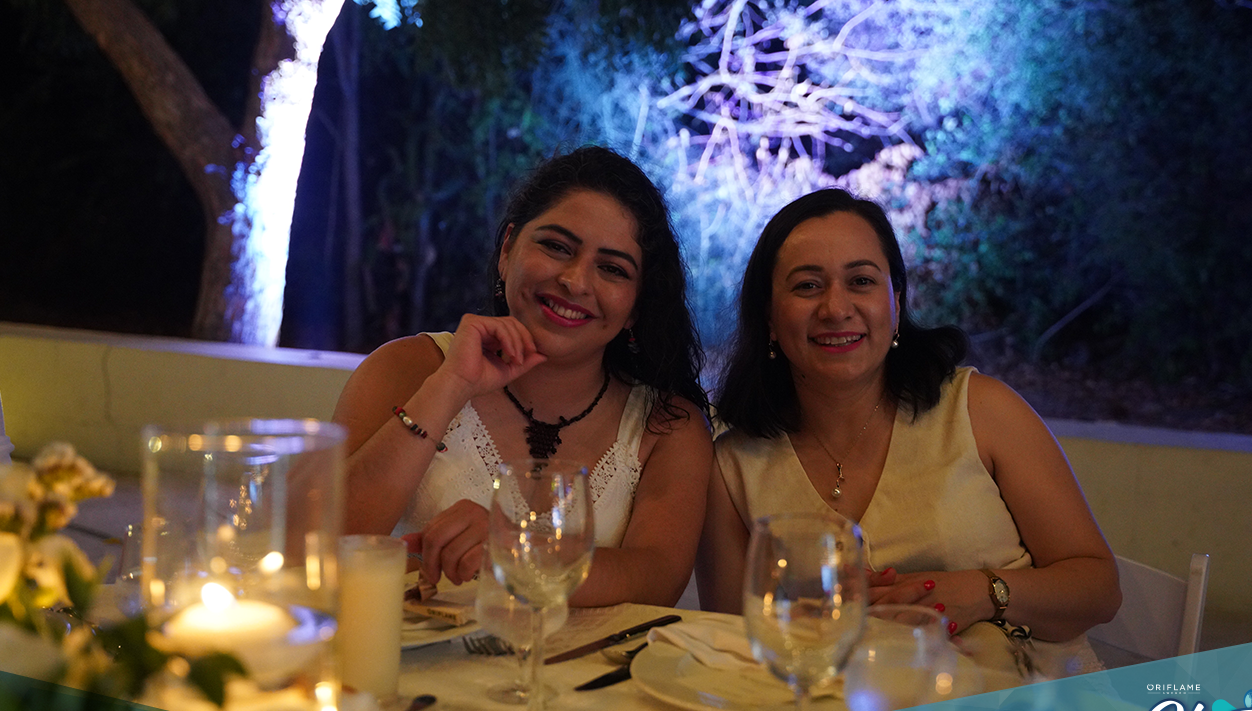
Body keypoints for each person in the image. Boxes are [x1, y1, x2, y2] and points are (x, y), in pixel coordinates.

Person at [696, 189, 1119, 673]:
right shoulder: (732, 466)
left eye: (861, 281)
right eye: (807, 286)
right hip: (838, 710)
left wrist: (981, 592)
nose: (836, 308)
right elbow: (737, 646)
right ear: (769, 317)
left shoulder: (982, 409)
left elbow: (1100, 589)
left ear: (895, 301)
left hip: (1036, 701)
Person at [333, 147, 712, 607]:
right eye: (557, 247)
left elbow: (656, 578)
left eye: (612, 269)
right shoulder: (405, 368)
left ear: (636, 306)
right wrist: (450, 386)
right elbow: (321, 542)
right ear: (508, 249)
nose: (575, 281)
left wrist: (515, 553)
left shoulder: (668, 427)